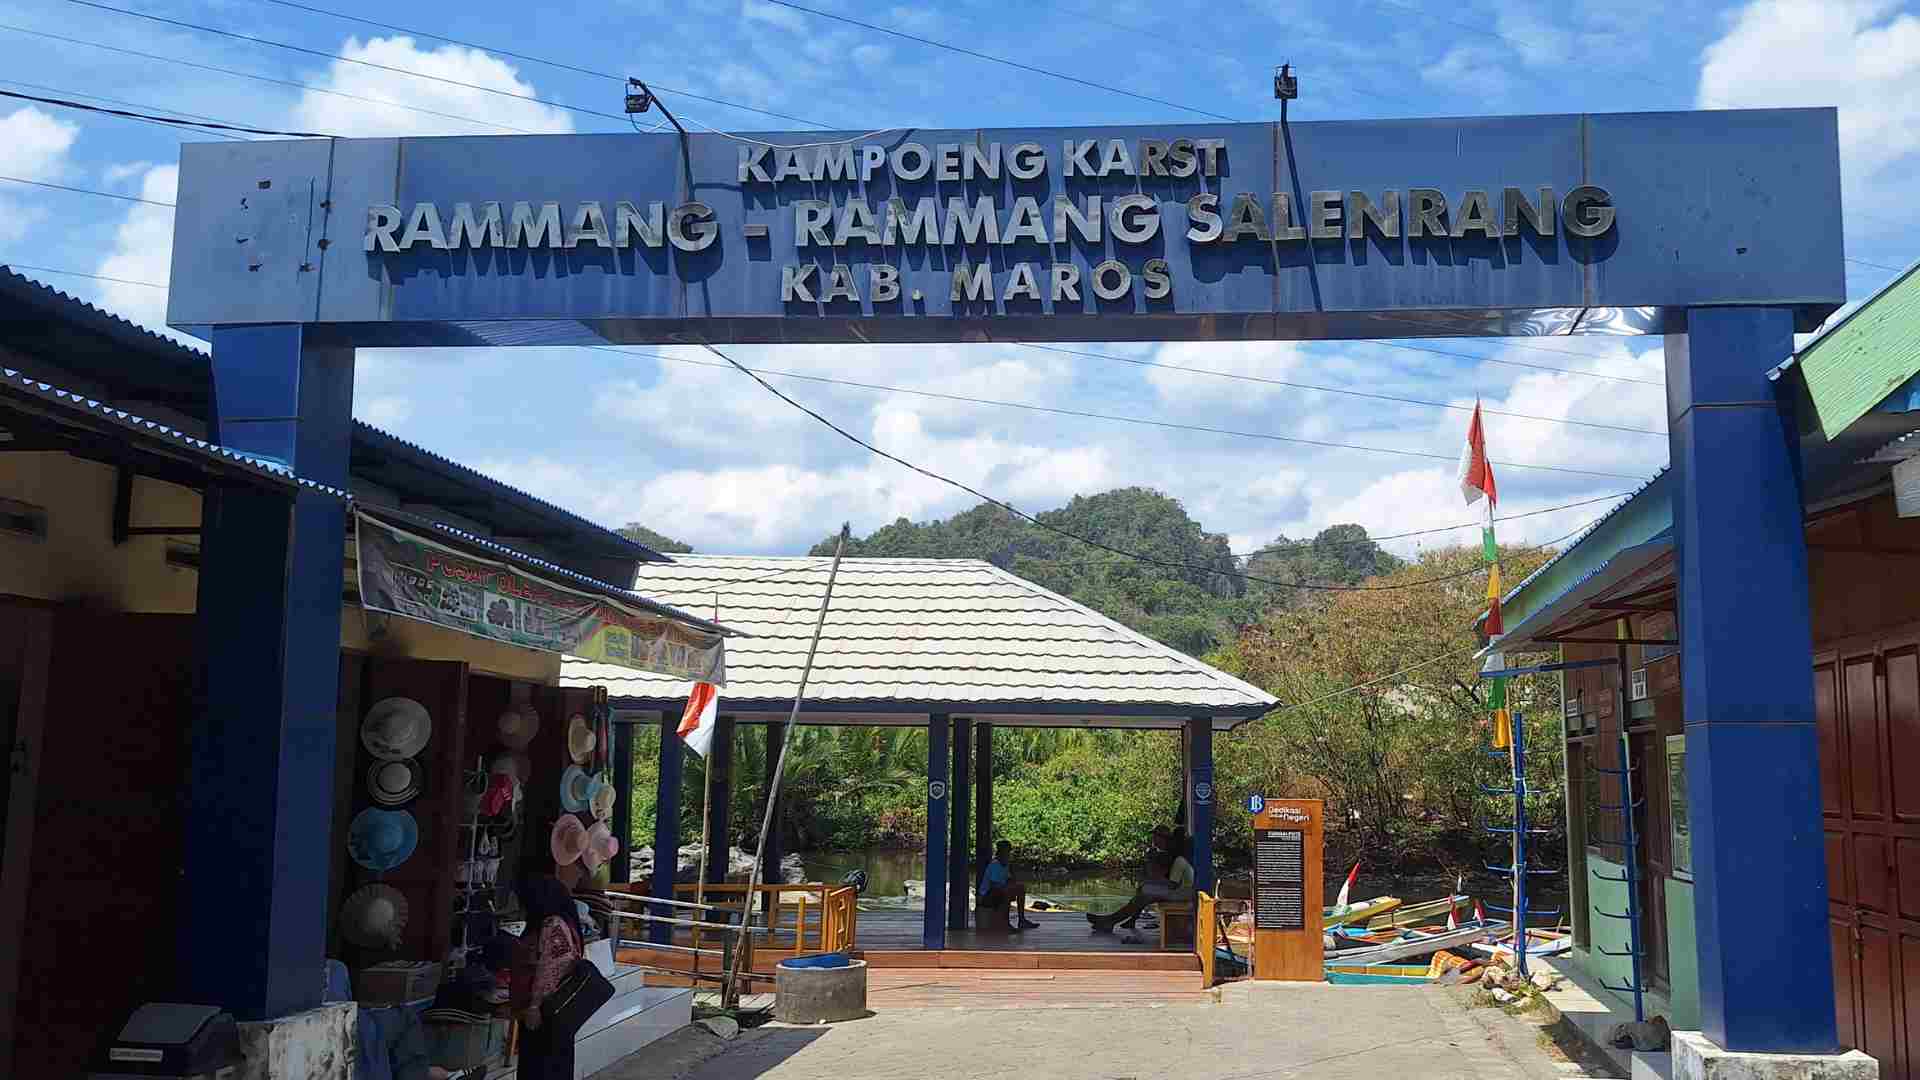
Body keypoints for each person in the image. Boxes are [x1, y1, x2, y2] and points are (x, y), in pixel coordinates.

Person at [511, 861, 584, 1080]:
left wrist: (534, 1007)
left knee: (541, 1068)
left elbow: (550, 969)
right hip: (552, 1013)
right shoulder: (558, 922)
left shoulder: (552, 925)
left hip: (546, 1013)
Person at [1087, 827, 1195, 934]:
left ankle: (1111, 921)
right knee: (1144, 892)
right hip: (1180, 891)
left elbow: (1172, 885)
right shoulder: (1171, 855)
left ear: (1163, 839)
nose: (1153, 840)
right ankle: (1113, 920)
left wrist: (1152, 882)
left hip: (1183, 894)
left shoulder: (1178, 859)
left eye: (1155, 837)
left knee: (1145, 892)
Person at [979, 840, 1041, 931]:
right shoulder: (994, 865)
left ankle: (1022, 920)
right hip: (987, 896)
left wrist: (1013, 877)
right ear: (1000, 852)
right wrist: (1009, 887)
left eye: (1008, 852)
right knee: (1007, 891)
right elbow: (994, 885)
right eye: (1006, 852)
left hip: (1000, 891)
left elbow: (1010, 880)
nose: (1008, 854)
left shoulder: (1006, 864)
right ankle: (1005, 923)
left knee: (1020, 887)